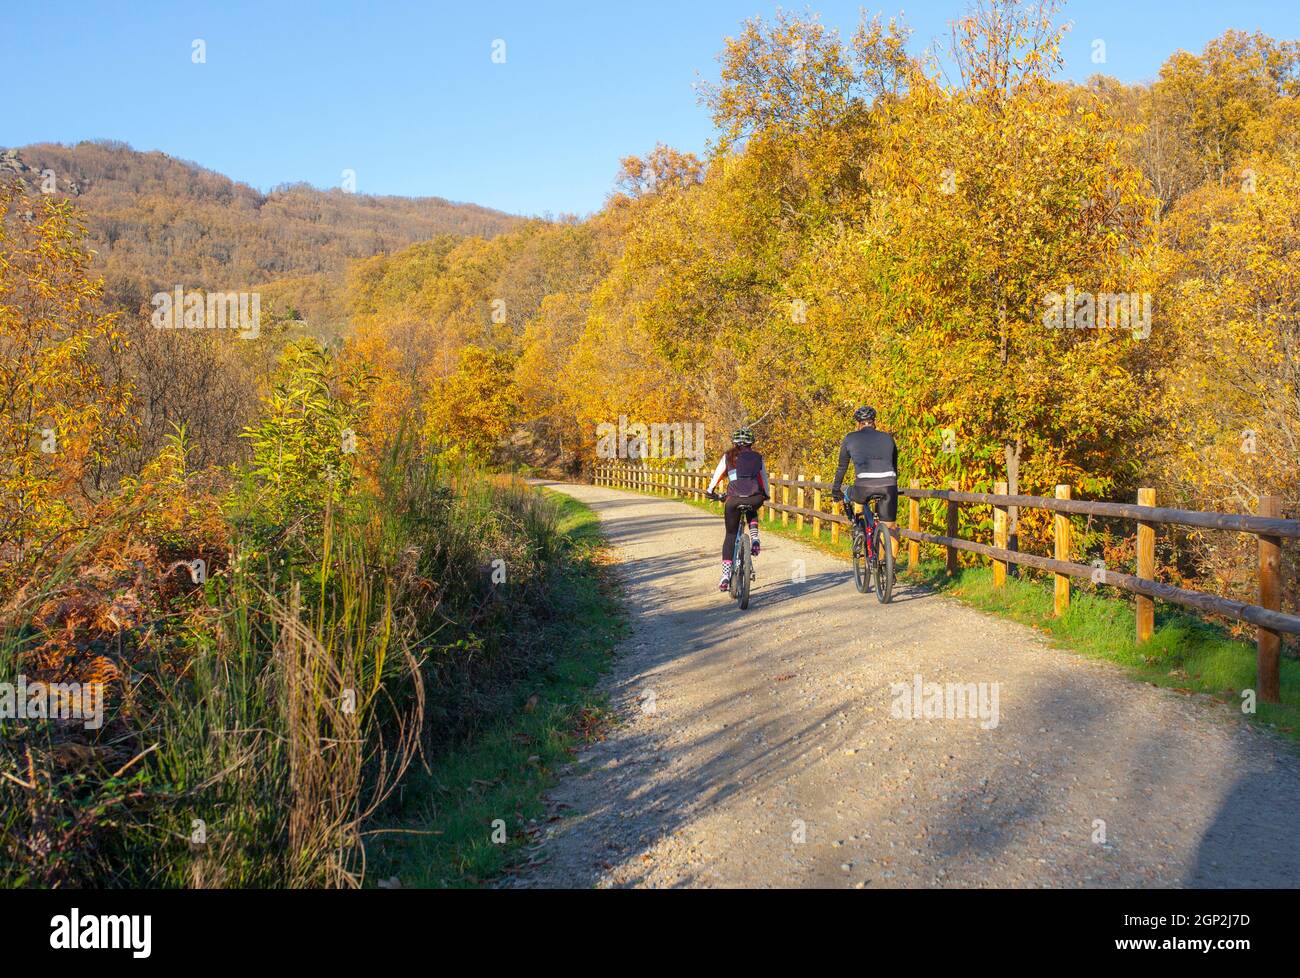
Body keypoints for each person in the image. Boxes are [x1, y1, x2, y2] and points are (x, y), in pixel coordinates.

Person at [704, 426, 770, 592]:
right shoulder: (758, 458)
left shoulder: (728, 457)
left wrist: (710, 491)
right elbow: (764, 480)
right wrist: (766, 495)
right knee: (752, 505)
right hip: (754, 498)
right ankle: (754, 538)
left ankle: (725, 576)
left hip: (733, 501)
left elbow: (717, 476)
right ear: (751, 443)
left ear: (735, 443)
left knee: (731, 535)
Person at [830, 406, 898, 546]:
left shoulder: (850, 438)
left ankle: (856, 525)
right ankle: (889, 565)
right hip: (888, 486)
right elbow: (894, 465)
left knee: (848, 493)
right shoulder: (887, 437)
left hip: (863, 488)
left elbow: (842, 467)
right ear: (874, 422)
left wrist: (836, 490)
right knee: (891, 528)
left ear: (858, 423)